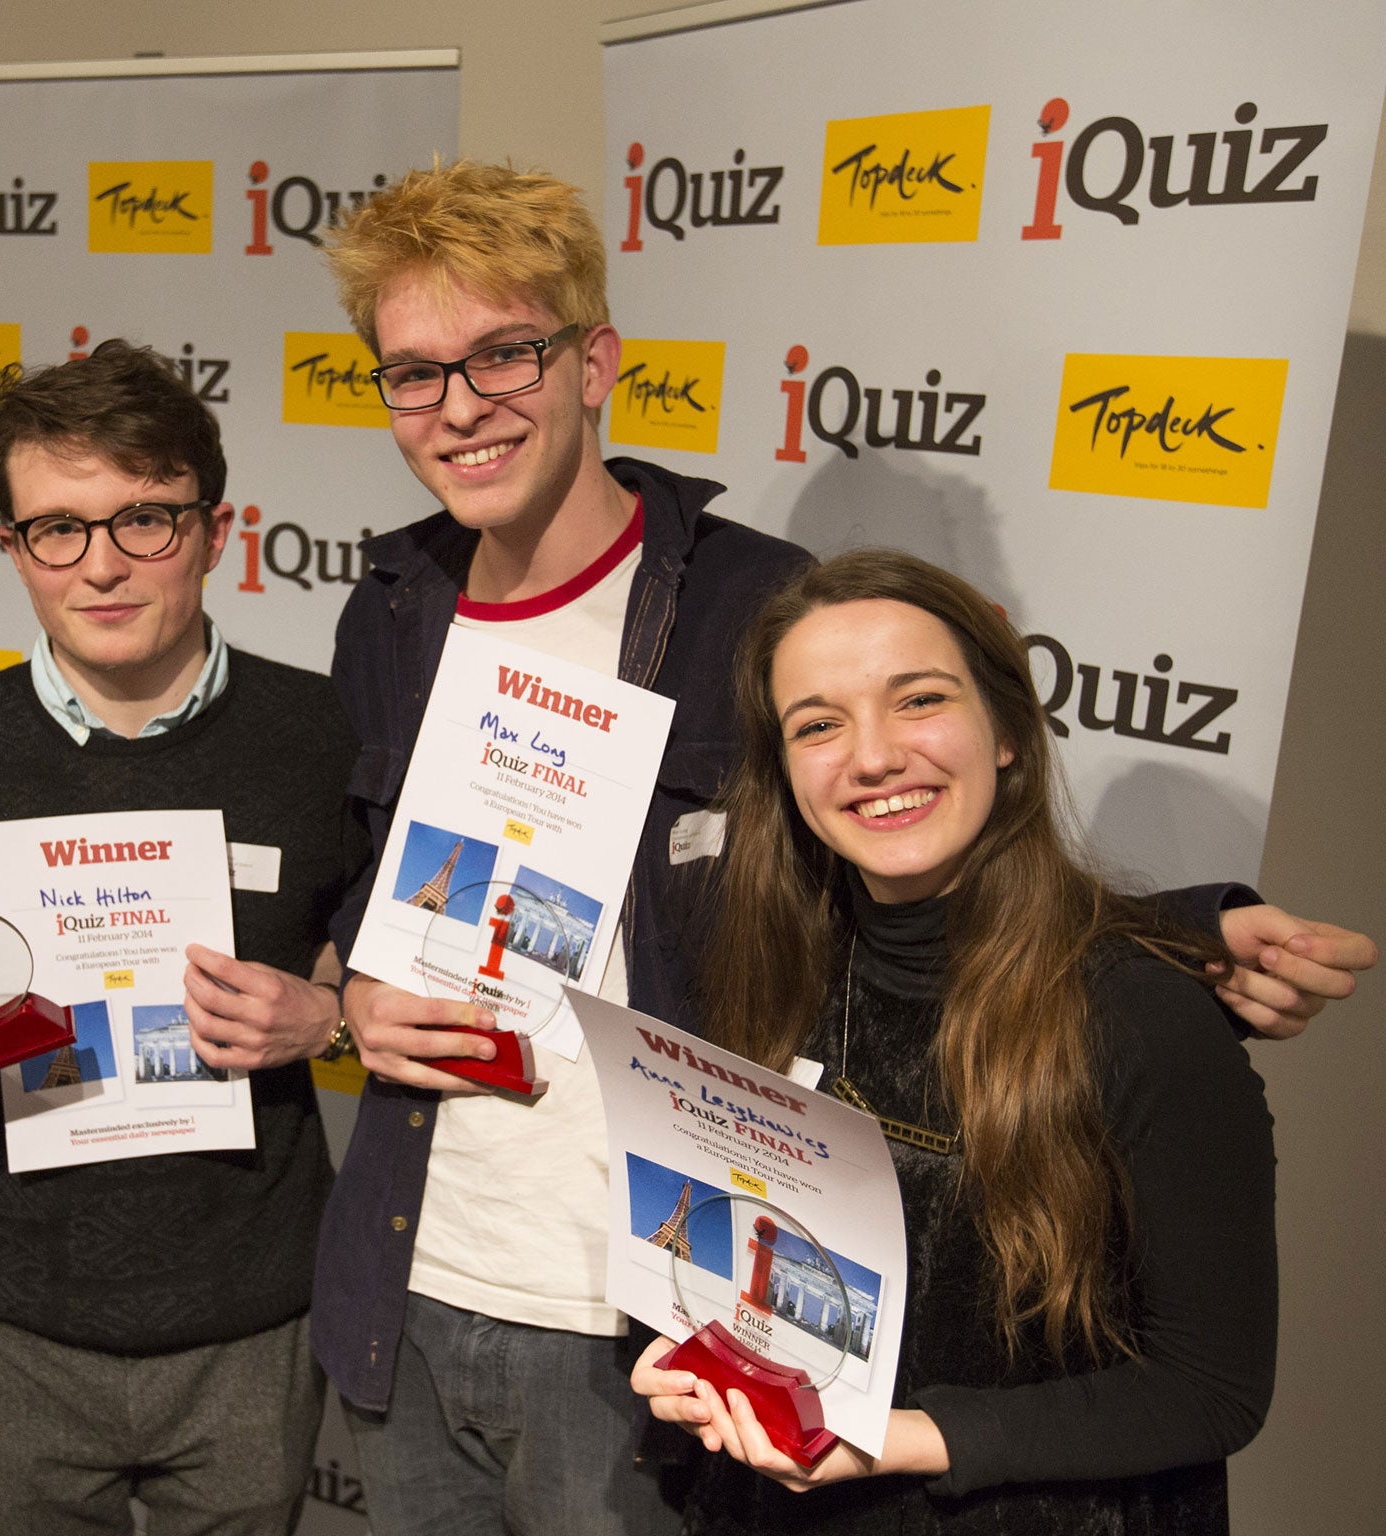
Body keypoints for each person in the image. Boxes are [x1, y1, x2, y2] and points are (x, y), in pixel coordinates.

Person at [311, 160, 1371, 1536]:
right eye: (413, 373)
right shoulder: (389, 607)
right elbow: (365, 887)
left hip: (657, 1322)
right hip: (413, 1276)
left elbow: (896, 854)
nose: (458, 407)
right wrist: (347, 990)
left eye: (503, 354)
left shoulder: (749, 605)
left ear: (594, 362)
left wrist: (1180, 939)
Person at [631, 548, 1277, 1531]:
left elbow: (1208, 1389)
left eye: (917, 700)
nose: (874, 755)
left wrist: (894, 1438)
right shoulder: (771, 979)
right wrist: (689, 1351)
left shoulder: (1141, 1014)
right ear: (784, 775)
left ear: (1008, 731)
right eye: (817, 724)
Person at [0, 340, 369, 1536]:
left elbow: (381, 954)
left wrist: (323, 1014)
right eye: (57, 530)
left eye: (144, 519)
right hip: (4, 1317)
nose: (101, 566)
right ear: (14, 546)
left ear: (211, 528)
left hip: (251, 1312)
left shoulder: (321, 729)